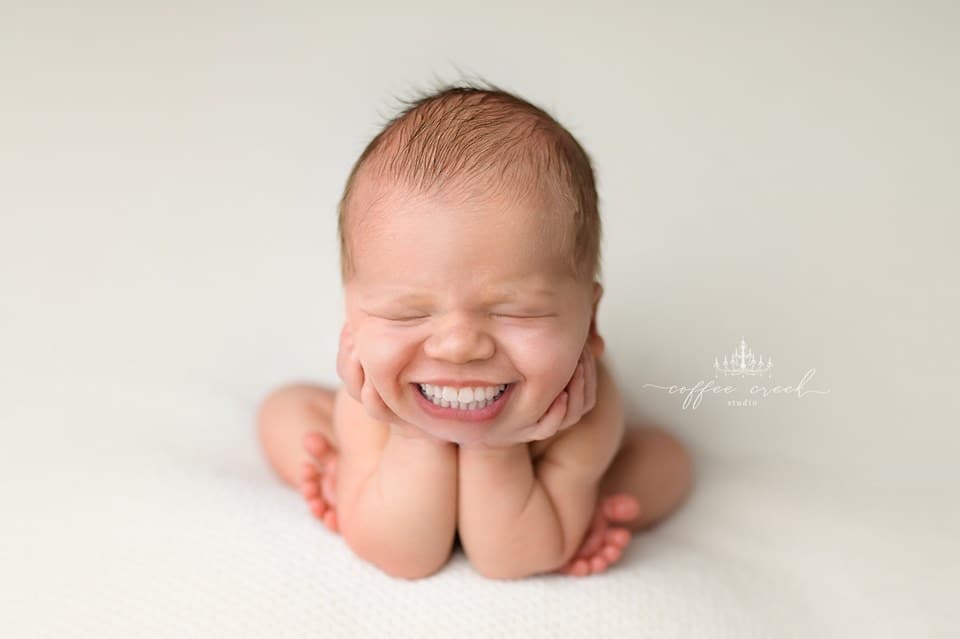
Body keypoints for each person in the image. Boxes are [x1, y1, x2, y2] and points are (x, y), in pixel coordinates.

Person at [257, 81, 693, 580]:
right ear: (352, 322)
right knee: (284, 412)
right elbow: (406, 555)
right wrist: (410, 435)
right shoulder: (369, 403)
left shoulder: (581, 413)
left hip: (539, 484)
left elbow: (512, 561)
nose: (459, 345)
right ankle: (348, 473)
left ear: (590, 323)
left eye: (515, 311)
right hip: (392, 436)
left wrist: (498, 447)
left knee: (666, 463)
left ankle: (587, 503)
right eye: (407, 313)